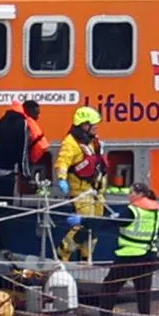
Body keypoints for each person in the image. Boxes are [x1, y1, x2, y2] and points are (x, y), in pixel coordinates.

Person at [91, 183, 159, 316]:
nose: (129, 195)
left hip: (128, 257)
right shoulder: (157, 211)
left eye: (131, 192)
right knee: (143, 294)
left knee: (109, 287)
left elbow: (109, 224)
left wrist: (82, 221)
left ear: (139, 194)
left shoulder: (132, 210)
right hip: (148, 258)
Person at [53, 105, 102, 260]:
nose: (96, 127)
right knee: (82, 225)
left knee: (94, 227)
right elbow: (63, 162)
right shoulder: (71, 143)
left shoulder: (91, 141)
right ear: (84, 125)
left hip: (94, 191)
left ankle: (86, 259)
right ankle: (63, 255)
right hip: (81, 190)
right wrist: (62, 179)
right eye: (93, 125)